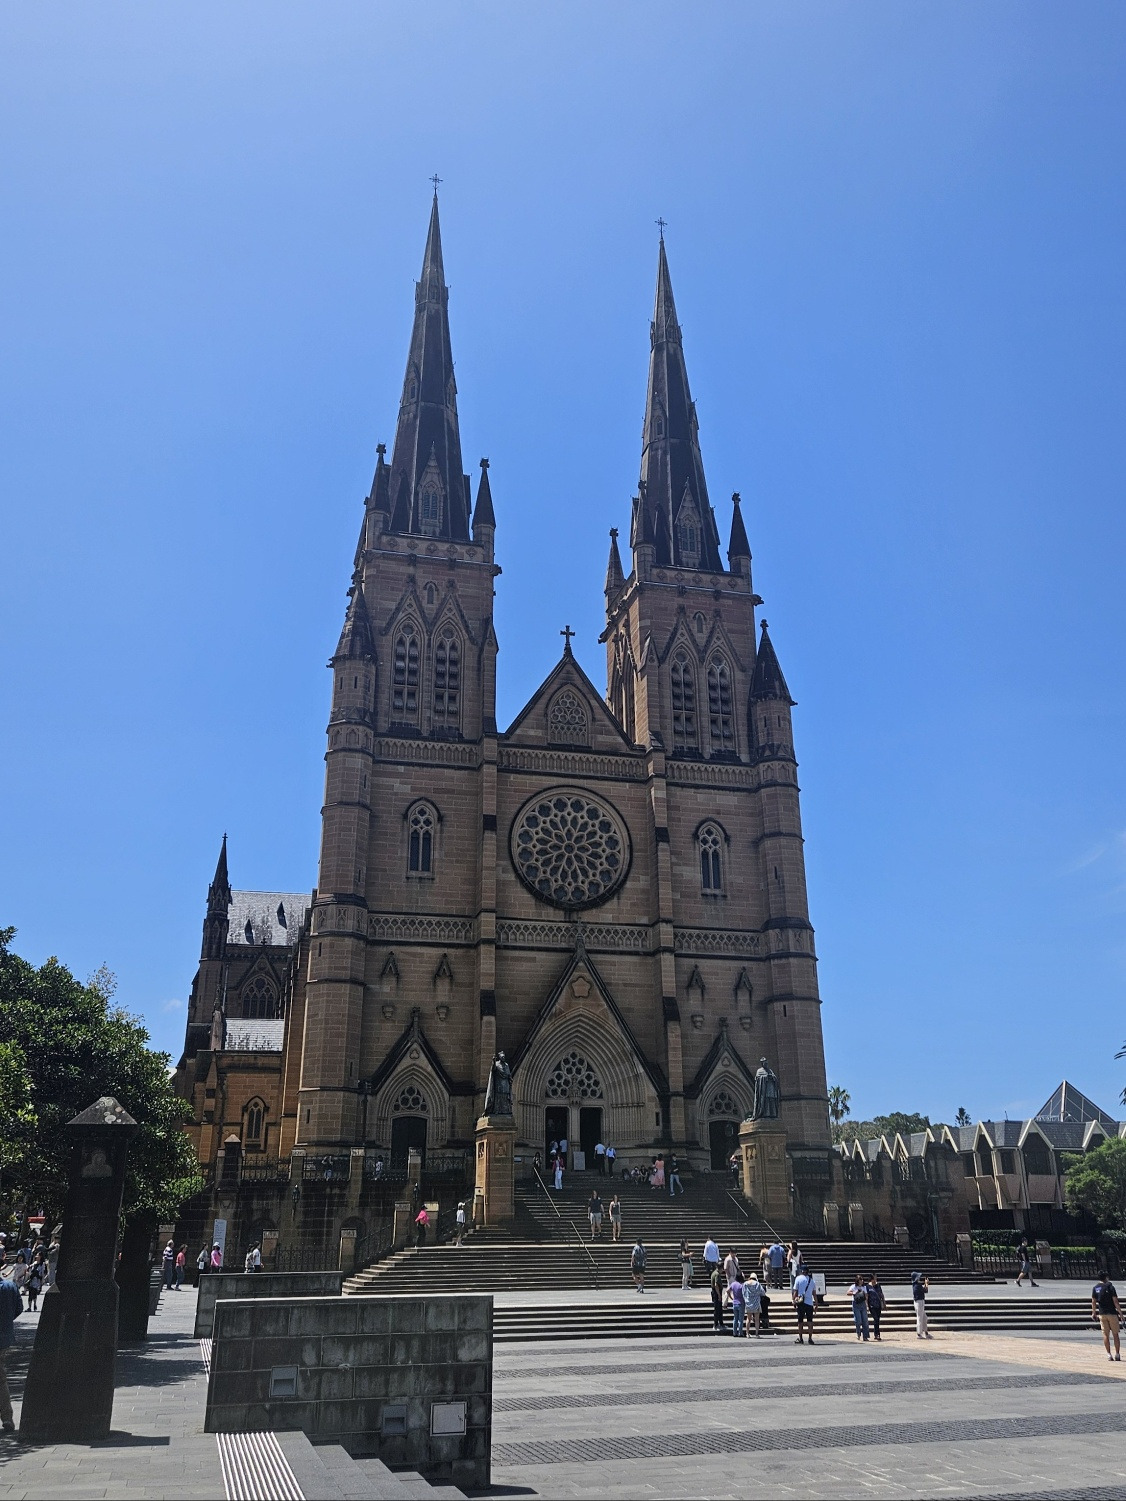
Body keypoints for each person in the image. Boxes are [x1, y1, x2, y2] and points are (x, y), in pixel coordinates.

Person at [0, 1270, 22, 1432]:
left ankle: (7, 1417)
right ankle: (7, 1417)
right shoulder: (10, 1286)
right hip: (4, 1338)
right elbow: (19, 1308)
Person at [1092, 1272, 1121, 1362]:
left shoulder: (1095, 1288)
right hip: (1112, 1313)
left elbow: (1093, 1301)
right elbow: (1115, 1301)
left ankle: (1109, 1354)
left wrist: (1094, 1312)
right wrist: (1121, 1314)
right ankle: (1117, 1354)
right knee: (1115, 1334)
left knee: (1105, 1334)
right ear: (1106, 1277)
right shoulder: (1110, 1287)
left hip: (1102, 1313)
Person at [792, 1265, 817, 1345]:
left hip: (801, 1302)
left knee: (800, 1321)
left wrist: (793, 1300)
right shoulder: (812, 1281)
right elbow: (814, 1294)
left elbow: (795, 1291)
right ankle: (810, 1338)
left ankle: (801, 1338)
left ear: (801, 1271)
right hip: (809, 1303)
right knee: (810, 1321)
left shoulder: (798, 1279)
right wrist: (816, 1303)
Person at [847, 1273, 870, 1342]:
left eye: (862, 1279)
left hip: (863, 1304)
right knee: (858, 1320)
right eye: (860, 1280)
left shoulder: (864, 1287)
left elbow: (866, 1297)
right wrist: (853, 1293)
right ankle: (858, 1333)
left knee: (865, 1320)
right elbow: (848, 1293)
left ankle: (865, 1336)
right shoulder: (853, 1287)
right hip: (856, 1303)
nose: (862, 1281)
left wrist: (867, 1305)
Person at [912, 1272, 931, 1339]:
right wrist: (926, 1284)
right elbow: (925, 1290)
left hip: (920, 1302)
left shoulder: (916, 1285)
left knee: (924, 1318)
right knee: (920, 1318)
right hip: (919, 1302)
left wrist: (925, 1284)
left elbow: (924, 1290)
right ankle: (919, 1333)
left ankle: (926, 1332)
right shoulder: (917, 1286)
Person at [744, 1272, 763, 1337]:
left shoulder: (745, 1284)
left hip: (748, 1303)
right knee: (757, 1319)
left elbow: (743, 1293)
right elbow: (762, 1292)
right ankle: (757, 1334)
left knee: (748, 1318)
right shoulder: (758, 1284)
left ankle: (747, 1333)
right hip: (756, 1303)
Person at [867, 1273, 885, 1341]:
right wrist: (867, 1306)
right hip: (872, 1305)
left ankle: (876, 1334)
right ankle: (877, 1334)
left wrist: (884, 1303)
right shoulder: (868, 1286)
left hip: (878, 1304)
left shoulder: (878, 1285)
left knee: (877, 1319)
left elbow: (881, 1294)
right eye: (874, 1278)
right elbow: (867, 1296)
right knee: (876, 1319)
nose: (875, 1279)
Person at [729, 1272, 746, 1337]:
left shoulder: (733, 1284)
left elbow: (727, 1290)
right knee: (740, 1319)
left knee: (735, 1319)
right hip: (741, 1303)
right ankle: (740, 1332)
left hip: (734, 1303)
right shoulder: (742, 1285)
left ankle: (734, 1332)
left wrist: (731, 1297)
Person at [710, 1260, 725, 1333]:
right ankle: (715, 1324)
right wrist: (719, 1295)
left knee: (719, 1309)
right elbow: (716, 1285)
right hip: (716, 1293)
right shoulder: (717, 1274)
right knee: (717, 1309)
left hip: (715, 1292)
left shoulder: (714, 1273)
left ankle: (720, 1323)